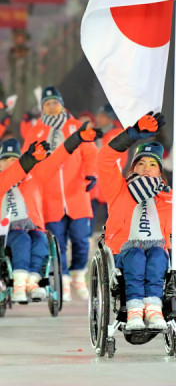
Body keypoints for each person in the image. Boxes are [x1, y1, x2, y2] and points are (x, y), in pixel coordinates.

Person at [97, 112, 176, 330]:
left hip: (157, 255)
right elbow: (104, 159)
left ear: (160, 170)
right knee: (137, 254)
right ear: (133, 167)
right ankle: (135, 310)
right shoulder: (119, 189)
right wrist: (132, 135)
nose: (146, 168)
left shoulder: (170, 198)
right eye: (140, 163)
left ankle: (154, 309)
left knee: (158, 254)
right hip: (121, 255)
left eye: (152, 164)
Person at [0, 123, 101, 303]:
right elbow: (13, 174)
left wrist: (75, 139)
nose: (9, 163)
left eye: (13, 159)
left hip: (33, 227)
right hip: (7, 232)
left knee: (41, 240)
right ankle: (19, 285)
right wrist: (28, 159)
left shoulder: (34, 177)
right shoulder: (2, 179)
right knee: (22, 239)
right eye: (5, 159)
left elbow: (56, 159)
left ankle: (33, 281)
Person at [22, 86, 99, 301]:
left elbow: (90, 153)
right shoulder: (36, 131)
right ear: (42, 107)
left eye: (55, 102)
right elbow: (27, 161)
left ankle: (78, 276)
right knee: (57, 241)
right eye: (47, 103)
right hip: (49, 196)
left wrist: (91, 174)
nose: (52, 106)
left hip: (77, 193)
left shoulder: (76, 127)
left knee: (82, 240)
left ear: (62, 103)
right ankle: (63, 280)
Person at [90, 103, 128, 233]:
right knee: (90, 214)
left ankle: (113, 242)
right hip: (94, 182)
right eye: (98, 116)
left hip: (110, 181)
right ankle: (91, 239)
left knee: (112, 216)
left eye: (102, 116)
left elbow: (120, 160)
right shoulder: (94, 133)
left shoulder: (117, 134)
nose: (98, 119)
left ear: (110, 118)